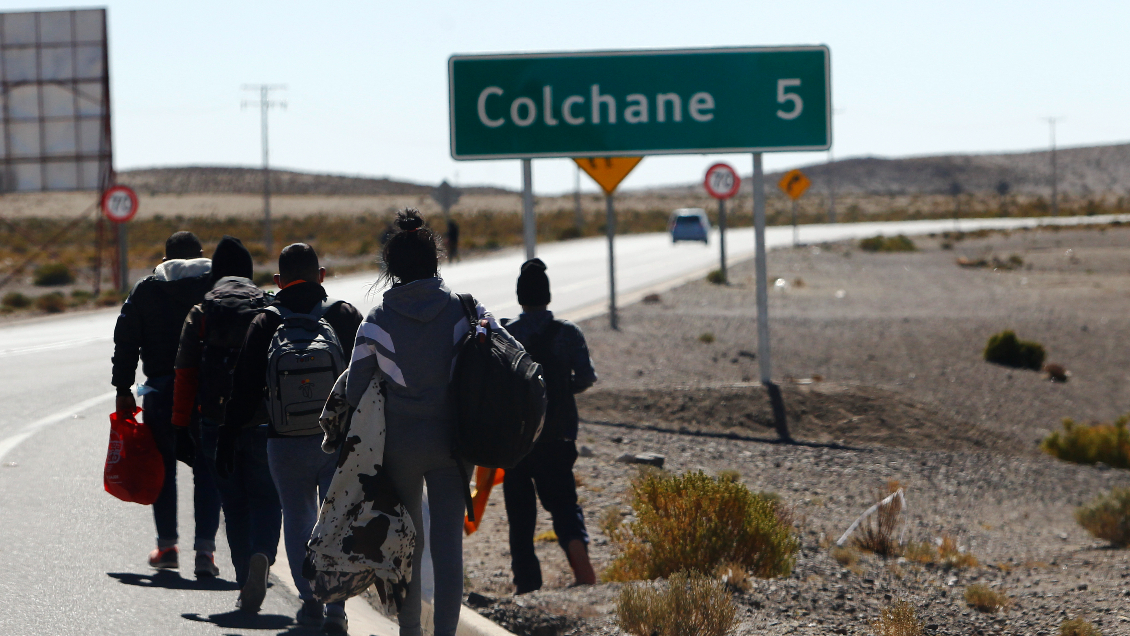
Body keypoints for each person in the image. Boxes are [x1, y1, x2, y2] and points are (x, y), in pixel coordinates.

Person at [346, 209, 519, 636]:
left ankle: (410, 630)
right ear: (436, 261)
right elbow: (508, 352)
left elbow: (354, 391)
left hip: (400, 448)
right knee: (448, 549)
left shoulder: (375, 323)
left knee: (407, 545)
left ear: (391, 268)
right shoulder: (466, 310)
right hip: (452, 444)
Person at [225, 243, 362, 633]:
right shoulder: (343, 315)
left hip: (283, 441)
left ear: (278, 282)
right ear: (321, 275)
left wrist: (228, 436)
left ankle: (311, 602)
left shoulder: (265, 321)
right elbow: (372, 375)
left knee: (298, 519)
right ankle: (337, 608)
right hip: (338, 440)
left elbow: (245, 386)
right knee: (336, 521)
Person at [171, 236, 281, 613]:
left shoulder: (202, 312)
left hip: (215, 424)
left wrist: (179, 427)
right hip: (263, 422)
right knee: (267, 497)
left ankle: (242, 579)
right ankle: (263, 554)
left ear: (214, 274)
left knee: (233, 504)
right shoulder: (267, 307)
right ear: (250, 273)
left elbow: (184, 375)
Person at [110, 231, 223, 578]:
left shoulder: (147, 289)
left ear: (164, 259)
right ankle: (205, 553)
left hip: (160, 392)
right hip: (207, 393)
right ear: (202, 255)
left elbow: (125, 339)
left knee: (164, 470)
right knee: (207, 470)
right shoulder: (217, 287)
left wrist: (123, 388)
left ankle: (167, 547)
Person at [501, 258, 598, 594]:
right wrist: (558, 391)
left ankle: (527, 584)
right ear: (548, 296)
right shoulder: (568, 333)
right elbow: (586, 377)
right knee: (564, 505)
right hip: (558, 436)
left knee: (520, 515)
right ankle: (583, 570)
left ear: (519, 296)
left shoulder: (507, 334)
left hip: (517, 441)